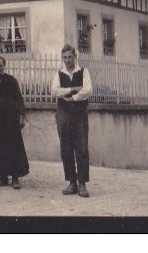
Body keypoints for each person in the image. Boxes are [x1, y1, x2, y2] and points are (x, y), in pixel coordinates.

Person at [51, 44, 93, 198]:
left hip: (80, 113)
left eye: (70, 57)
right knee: (66, 149)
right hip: (63, 114)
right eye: (65, 57)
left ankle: (82, 184)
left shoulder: (83, 72)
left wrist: (73, 98)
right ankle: (72, 182)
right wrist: (72, 89)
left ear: (75, 57)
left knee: (81, 148)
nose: (67, 60)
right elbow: (54, 91)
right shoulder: (59, 74)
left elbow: (88, 90)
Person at [0, 55, 29, 189]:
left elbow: (19, 98)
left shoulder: (11, 80)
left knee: (12, 147)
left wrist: (22, 114)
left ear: (4, 66)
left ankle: (15, 177)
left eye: (0, 66)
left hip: (10, 120)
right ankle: (2, 177)